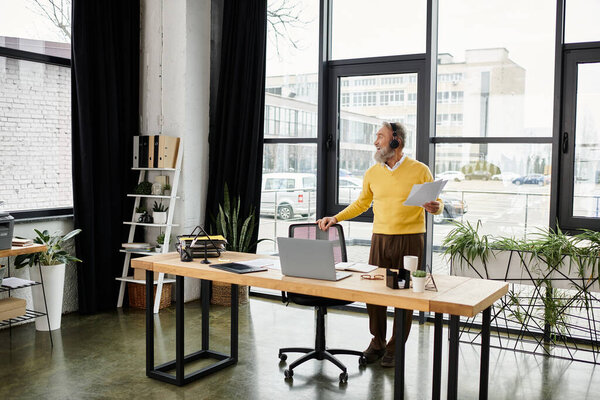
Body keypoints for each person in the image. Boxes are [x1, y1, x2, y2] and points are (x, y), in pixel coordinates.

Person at [317, 121, 443, 368]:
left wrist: (436, 207)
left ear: (396, 140)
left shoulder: (420, 170)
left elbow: (435, 204)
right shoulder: (372, 172)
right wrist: (335, 217)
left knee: (405, 295)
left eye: (380, 137)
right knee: (374, 293)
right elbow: (362, 204)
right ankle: (378, 341)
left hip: (411, 239)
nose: (375, 142)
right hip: (380, 239)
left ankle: (396, 347)